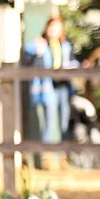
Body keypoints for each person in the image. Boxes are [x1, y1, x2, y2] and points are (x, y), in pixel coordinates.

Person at [22, 16, 79, 145]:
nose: (54, 31)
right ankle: (47, 157)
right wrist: (39, 53)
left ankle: (64, 155)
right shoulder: (38, 45)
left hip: (63, 86)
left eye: (57, 28)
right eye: (52, 27)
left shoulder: (65, 45)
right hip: (48, 87)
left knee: (64, 122)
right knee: (49, 123)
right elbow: (30, 65)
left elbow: (73, 62)